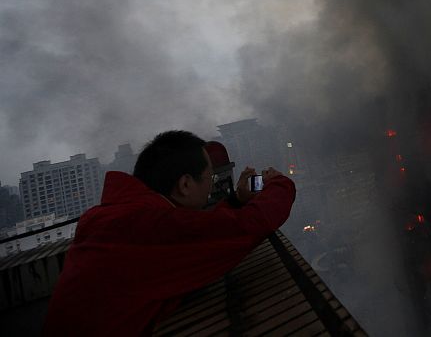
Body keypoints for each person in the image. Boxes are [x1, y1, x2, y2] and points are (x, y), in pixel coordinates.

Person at [43, 130, 296, 336]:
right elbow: (250, 226)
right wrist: (279, 183)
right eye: (209, 179)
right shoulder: (150, 225)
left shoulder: (112, 217)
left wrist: (236, 201)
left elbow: (195, 232)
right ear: (185, 184)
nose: (211, 188)